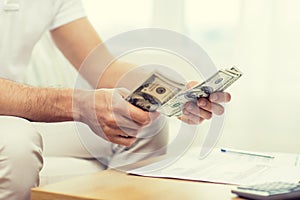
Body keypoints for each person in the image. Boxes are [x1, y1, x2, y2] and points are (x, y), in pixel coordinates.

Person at [0, 0, 231, 199]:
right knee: (17, 143)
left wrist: (172, 92)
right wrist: (79, 103)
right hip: (10, 122)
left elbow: (104, 68)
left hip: (18, 113)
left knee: (143, 120)